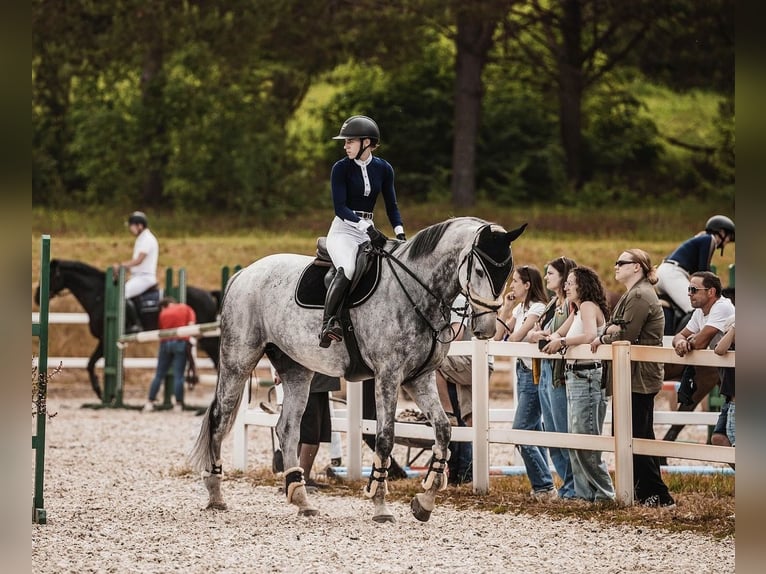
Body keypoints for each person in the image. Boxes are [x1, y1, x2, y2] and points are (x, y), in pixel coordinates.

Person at [591, 249, 674, 507]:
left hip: (639, 375)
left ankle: (658, 494)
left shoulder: (639, 295)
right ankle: (645, 492)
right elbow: (612, 326)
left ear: (637, 267)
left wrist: (605, 335)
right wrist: (610, 329)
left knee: (635, 434)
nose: (616, 266)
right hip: (633, 373)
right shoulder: (634, 293)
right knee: (634, 433)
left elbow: (624, 333)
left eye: (621, 263)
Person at [319, 115, 406, 347]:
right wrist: (366, 227)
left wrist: (400, 234)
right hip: (343, 231)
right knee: (347, 268)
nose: (345, 145)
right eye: (345, 142)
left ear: (366, 142)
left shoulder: (384, 168)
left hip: (368, 231)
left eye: (350, 141)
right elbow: (340, 207)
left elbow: (391, 205)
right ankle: (329, 322)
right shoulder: (340, 168)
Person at [541, 266, 615, 502]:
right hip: (575, 375)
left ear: (582, 285)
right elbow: (557, 332)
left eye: (571, 282)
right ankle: (585, 495)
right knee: (576, 439)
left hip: (587, 376)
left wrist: (562, 341)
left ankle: (604, 493)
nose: (566, 286)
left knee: (586, 439)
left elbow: (589, 335)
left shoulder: (587, 307)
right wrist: (548, 337)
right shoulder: (576, 310)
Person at [495, 265, 556, 501]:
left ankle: (544, 485)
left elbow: (517, 337)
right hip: (524, 370)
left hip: (534, 373)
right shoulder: (520, 308)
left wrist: (513, 323)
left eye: (516, 282)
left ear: (527, 285)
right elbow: (497, 336)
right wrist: (507, 308)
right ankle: (542, 486)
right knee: (533, 429)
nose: (512, 286)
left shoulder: (538, 308)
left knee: (521, 430)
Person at [527, 256, 578, 499]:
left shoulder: (570, 305)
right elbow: (536, 332)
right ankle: (566, 484)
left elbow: (543, 333)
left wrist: (542, 334)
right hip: (546, 368)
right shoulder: (552, 305)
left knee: (561, 428)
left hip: (560, 373)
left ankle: (572, 486)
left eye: (551, 274)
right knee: (551, 431)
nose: (546, 277)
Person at [435, 293, 495, 486]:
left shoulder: (458, 301)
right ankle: (462, 473)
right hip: (466, 362)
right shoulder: (457, 301)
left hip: (467, 361)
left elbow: (456, 334)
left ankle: (447, 411)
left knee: (432, 362)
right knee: (468, 418)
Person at [656, 215, 734, 314]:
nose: (727, 241)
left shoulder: (701, 239)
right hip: (672, 274)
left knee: (676, 311)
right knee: (696, 308)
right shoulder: (710, 239)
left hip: (663, 273)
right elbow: (704, 270)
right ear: (722, 232)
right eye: (729, 237)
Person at [143, 297, 195, 412]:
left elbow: (162, 329)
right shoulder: (185, 308)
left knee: (159, 375)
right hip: (180, 343)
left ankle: (150, 402)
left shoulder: (163, 313)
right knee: (179, 376)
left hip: (165, 344)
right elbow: (191, 326)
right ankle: (178, 404)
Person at [112, 211, 159, 332]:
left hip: (145, 277)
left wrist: (122, 266)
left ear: (140, 226)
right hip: (138, 276)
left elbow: (139, 260)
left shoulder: (147, 239)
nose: (130, 229)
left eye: (131, 226)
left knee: (122, 294)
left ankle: (135, 324)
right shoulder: (141, 238)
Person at [297, 372, 342, 488]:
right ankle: (300, 479)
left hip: (319, 379)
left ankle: (301, 477)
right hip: (311, 379)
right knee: (309, 432)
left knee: (315, 431)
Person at [712, 319, 735, 454]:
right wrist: (733, 328)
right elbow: (720, 349)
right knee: (720, 438)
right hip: (731, 402)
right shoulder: (726, 347)